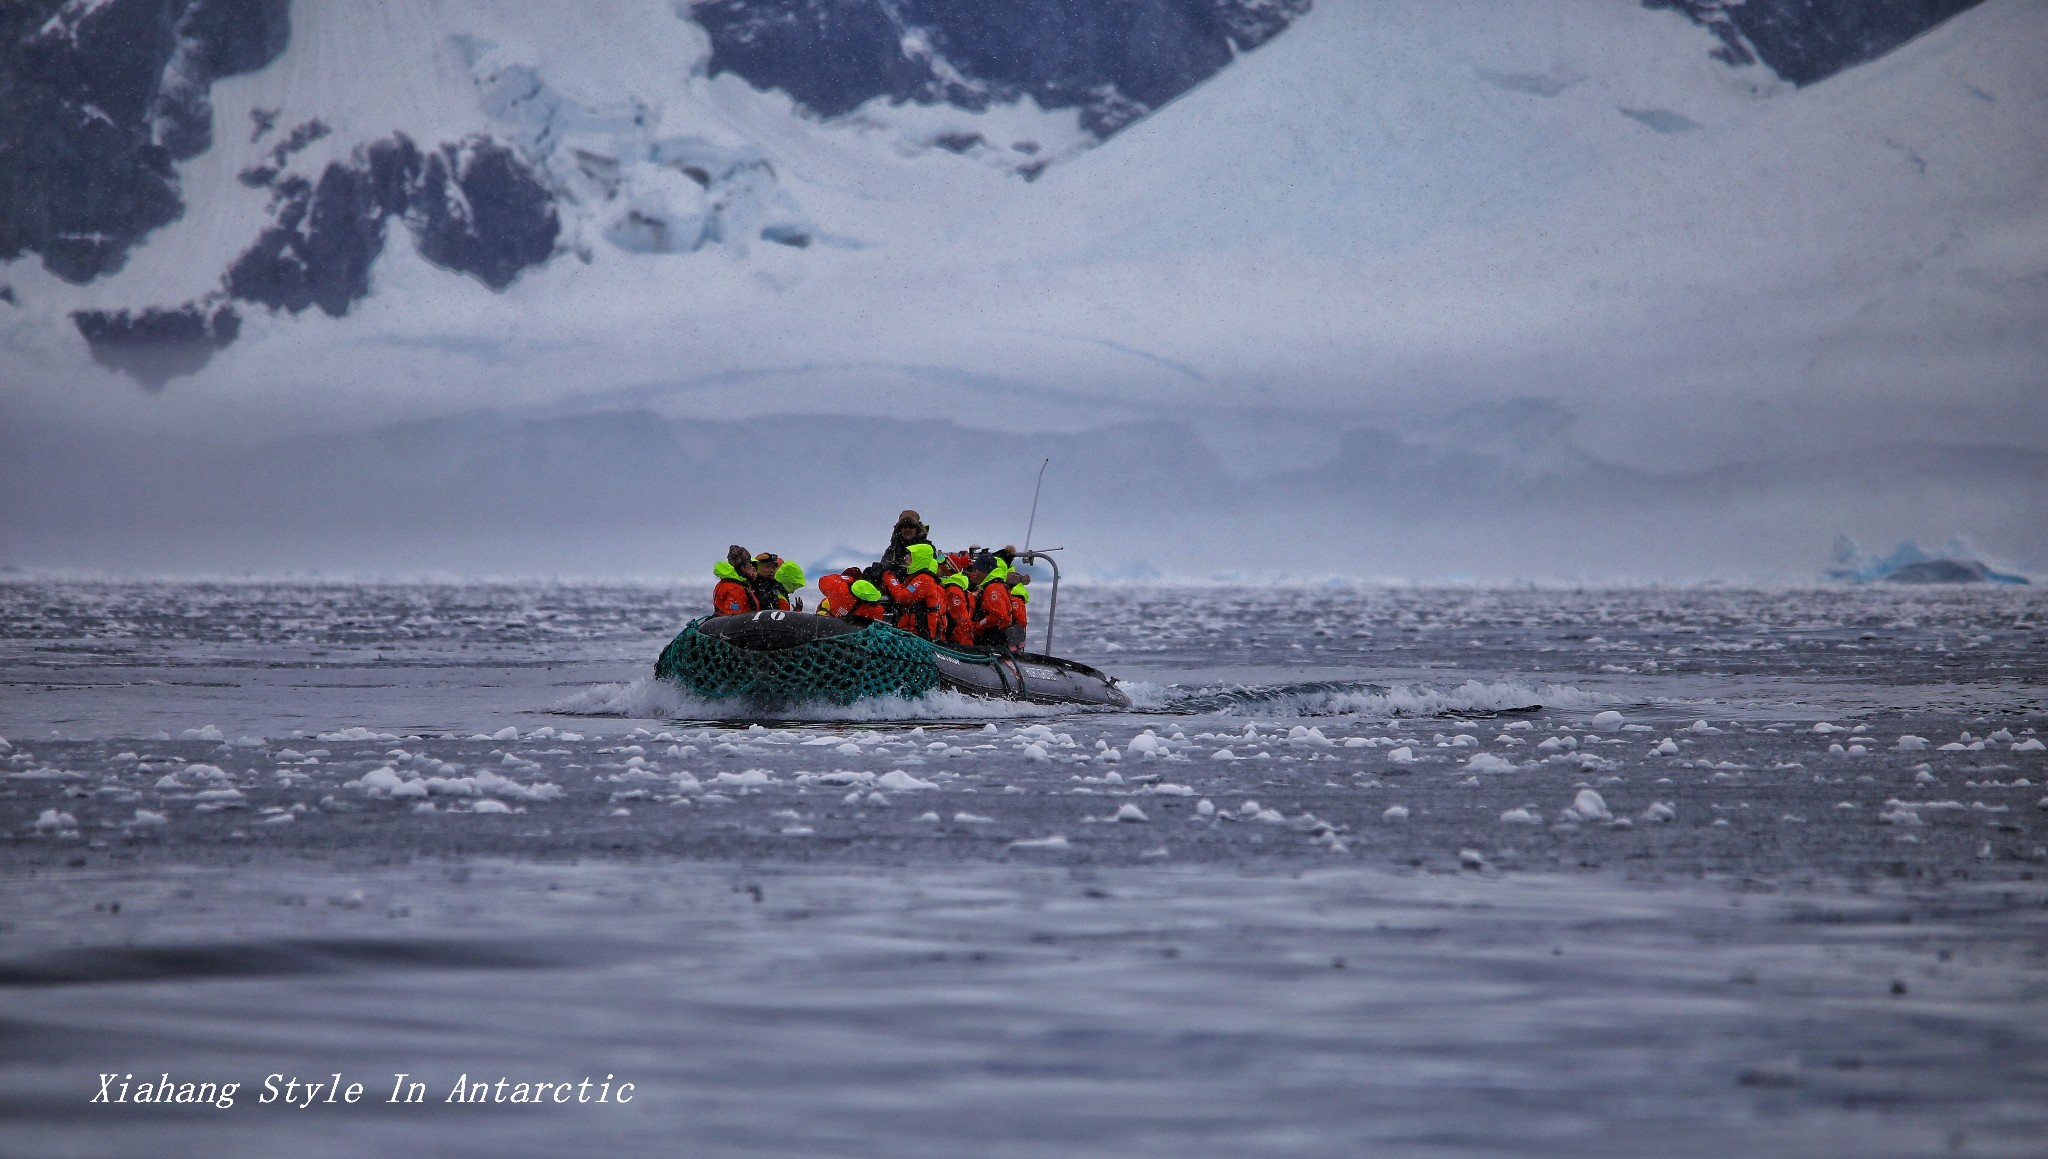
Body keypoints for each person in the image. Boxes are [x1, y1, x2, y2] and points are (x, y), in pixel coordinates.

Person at [884, 542, 946, 640]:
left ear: (918, 558)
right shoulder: (916, 578)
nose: (906, 558)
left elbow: (902, 597)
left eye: (909, 555)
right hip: (910, 633)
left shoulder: (924, 579)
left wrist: (889, 577)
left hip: (918, 636)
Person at [966, 551, 1014, 649]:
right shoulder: (996, 586)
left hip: (993, 639)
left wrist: (978, 625)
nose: (973, 574)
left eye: (976, 570)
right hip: (996, 638)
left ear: (984, 571)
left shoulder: (992, 588)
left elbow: (998, 615)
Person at [937, 561, 975, 649]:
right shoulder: (962, 590)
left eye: (940, 566)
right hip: (963, 641)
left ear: (946, 569)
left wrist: (956, 644)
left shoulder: (952, 591)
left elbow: (962, 621)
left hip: (958, 643)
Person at [712, 545, 757, 616]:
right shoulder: (735, 588)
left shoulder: (726, 583)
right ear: (742, 567)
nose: (752, 566)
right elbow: (732, 617)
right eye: (749, 563)